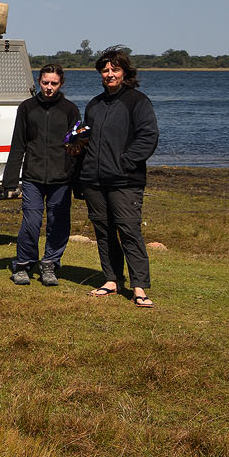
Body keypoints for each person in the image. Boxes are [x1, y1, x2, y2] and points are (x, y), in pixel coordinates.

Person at [77, 50, 159, 307]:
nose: (109, 74)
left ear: (125, 72)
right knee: (103, 231)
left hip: (125, 180)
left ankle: (139, 287)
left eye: (114, 69)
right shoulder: (94, 104)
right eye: (105, 70)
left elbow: (148, 137)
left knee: (129, 230)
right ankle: (111, 280)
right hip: (93, 180)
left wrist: (125, 162)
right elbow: (87, 139)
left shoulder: (138, 101)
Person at [2, 63, 80, 286]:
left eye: (53, 83)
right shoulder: (27, 108)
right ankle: (23, 265)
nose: (49, 87)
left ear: (61, 83)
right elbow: (18, 144)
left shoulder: (70, 110)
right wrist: (10, 180)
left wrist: (79, 181)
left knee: (58, 222)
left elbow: (76, 148)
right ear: (39, 82)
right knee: (32, 221)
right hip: (32, 178)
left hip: (62, 178)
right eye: (45, 83)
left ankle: (50, 265)